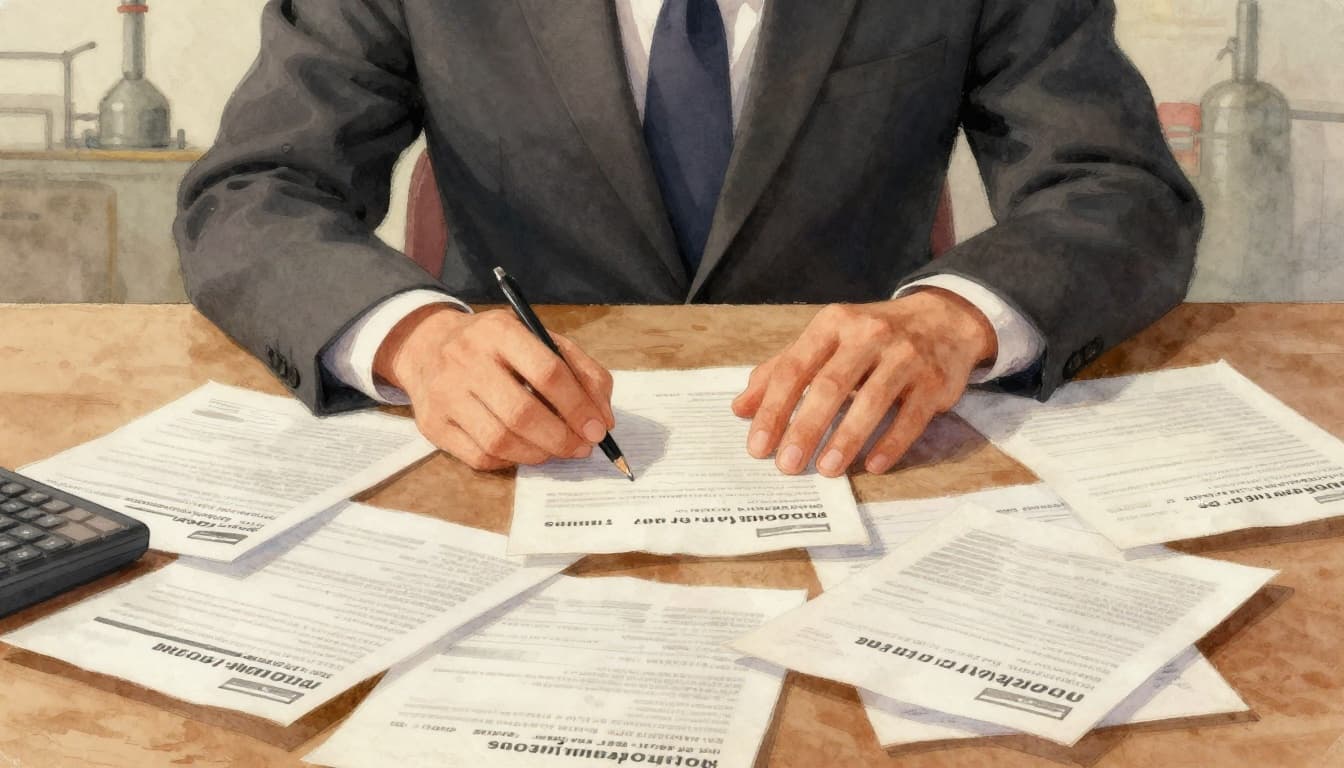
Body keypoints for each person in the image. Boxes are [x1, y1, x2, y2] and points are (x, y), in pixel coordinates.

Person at [175, 0, 1200, 479]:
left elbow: (1119, 189)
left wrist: (953, 319)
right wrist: (419, 342)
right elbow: (255, 191)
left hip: (855, 460)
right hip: (505, 468)